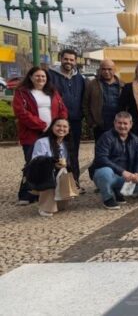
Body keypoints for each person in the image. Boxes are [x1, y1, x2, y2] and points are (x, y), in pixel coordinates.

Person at [12, 67, 68, 205]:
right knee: (31, 163)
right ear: (30, 77)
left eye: (43, 76)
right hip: (32, 133)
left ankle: (43, 191)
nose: (41, 79)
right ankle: (26, 194)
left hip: (52, 133)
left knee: (50, 162)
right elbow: (21, 112)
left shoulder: (52, 92)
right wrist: (42, 125)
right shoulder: (22, 92)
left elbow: (62, 109)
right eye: (37, 76)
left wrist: (60, 124)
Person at [90, 112, 138, 210]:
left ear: (131, 124)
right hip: (110, 174)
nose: (122, 126)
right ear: (114, 123)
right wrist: (122, 172)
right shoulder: (106, 137)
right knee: (105, 172)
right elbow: (101, 158)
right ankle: (108, 198)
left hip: (127, 176)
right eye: (119, 123)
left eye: (125, 123)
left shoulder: (135, 140)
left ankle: (119, 191)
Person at [48, 48, 85, 191]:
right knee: (55, 151)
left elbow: (83, 98)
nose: (68, 62)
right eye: (66, 59)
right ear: (61, 58)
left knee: (73, 152)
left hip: (75, 121)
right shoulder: (51, 76)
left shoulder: (79, 78)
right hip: (57, 122)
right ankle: (52, 184)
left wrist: (81, 114)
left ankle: (74, 182)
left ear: (75, 61)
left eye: (71, 59)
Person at [28, 118, 76, 217]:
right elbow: (36, 161)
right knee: (49, 171)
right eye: (58, 125)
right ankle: (45, 206)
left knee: (62, 207)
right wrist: (52, 163)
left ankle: (60, 200)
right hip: (43, 172)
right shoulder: (42, 142)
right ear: (52, 127)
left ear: (69, 129)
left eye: (65, 126)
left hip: (60, 171)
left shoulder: (67, 144)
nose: (61, 128)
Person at [83, 59, 124, 140]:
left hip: (118, 125)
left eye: (109, 69)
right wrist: (91, 122)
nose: (106, 72)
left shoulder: (122, 85)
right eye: (104, 69)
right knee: (100, 150)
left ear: (114, 69)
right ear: (100, 70)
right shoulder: (92, 85)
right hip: (99, 126)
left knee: (117, 150)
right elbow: (85, 104)